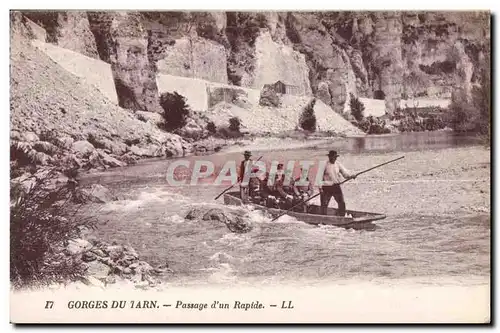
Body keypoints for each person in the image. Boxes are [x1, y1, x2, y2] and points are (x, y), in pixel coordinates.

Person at [320, 150, 356, 217]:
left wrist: (351, 176)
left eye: (335, 157)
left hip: (336, 187)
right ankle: (323, 218)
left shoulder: (338, 164)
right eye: (333, 157)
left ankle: (342, 217)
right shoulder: (324, 165)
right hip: (326, 188)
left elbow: (345, 174)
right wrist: (320, 189)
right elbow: (319, 179)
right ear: (329, 157)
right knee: (324, 204)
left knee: (341, 203)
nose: (334, 158)